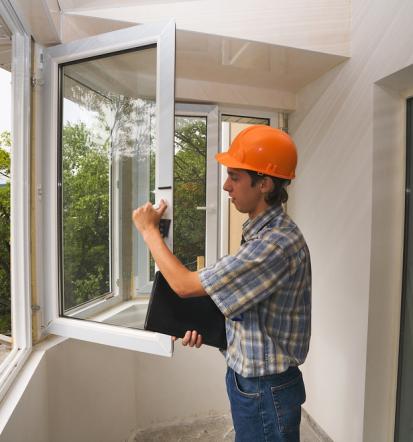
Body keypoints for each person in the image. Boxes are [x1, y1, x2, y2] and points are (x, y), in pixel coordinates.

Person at [132, 125, 311, 442]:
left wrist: (149, 232)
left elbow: (184, 285)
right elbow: (251, 304)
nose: (226, 185)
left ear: (265, 183)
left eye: (235, 177)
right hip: (251, 380)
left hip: (264, 389)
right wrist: (204, 326)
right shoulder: (261, 232)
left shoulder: (273, 245)